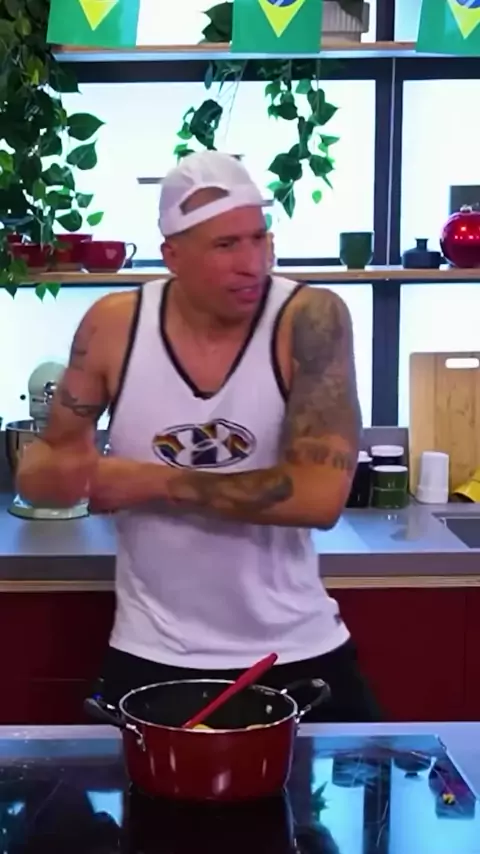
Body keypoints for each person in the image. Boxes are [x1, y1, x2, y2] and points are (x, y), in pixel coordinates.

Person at [17, 151, 380, 722]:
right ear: (173, 256)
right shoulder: (114, 326)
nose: (252, 263)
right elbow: (46, 467)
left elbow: (319, 497)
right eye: (225, 245)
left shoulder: (309, 317)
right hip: (152, 652)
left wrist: (149, 481)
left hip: (295, 648)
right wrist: (61, 477)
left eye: (259, 238)